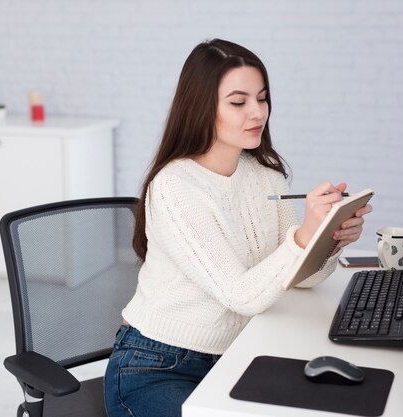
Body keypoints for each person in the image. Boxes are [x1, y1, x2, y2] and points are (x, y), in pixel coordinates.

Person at [103, 38, 372, 417]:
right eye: (238, 102)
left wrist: (329, 239)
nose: (257, 112)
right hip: (157, 365)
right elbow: (241, 295)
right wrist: (303, 236)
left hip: (238, 354)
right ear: (201, 107)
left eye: (262, 98)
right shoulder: (176, 187)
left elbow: (300, 278)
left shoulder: (265, 175)